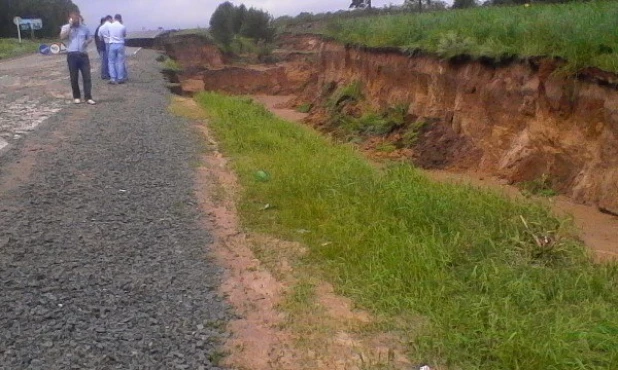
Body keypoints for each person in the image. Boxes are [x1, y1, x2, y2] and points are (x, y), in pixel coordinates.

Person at [60, 11, 95, 104]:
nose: (75, 20)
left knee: (87, 76)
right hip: (72, 55)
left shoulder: (84, 28)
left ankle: (88, 97)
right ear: (70, 19)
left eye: (76, 18)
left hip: (83, 55)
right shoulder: (66, 27)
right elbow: (62, 37)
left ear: (79, 18)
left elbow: (90, 38)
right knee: (74, 77)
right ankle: (76, 96)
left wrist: (87, 42)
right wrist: (70, 27)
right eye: (73, 18)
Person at [101, 14, 127, 84]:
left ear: (115, 18)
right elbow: (124, 35)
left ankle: (113, 78)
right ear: (120, 19)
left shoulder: (110, 26)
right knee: (120, 62)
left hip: (112, 44)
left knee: (111, 62)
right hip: (120, 44)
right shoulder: (122, 26)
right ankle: (120, 78)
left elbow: (109, 34)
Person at [94, 16, 112, 80]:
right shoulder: (100, 28)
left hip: (101, 47)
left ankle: (105, 74)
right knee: (105, 61)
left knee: (105, 61)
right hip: (102, 47)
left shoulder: (99, 28)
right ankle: (104, 75)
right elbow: (100, 39)